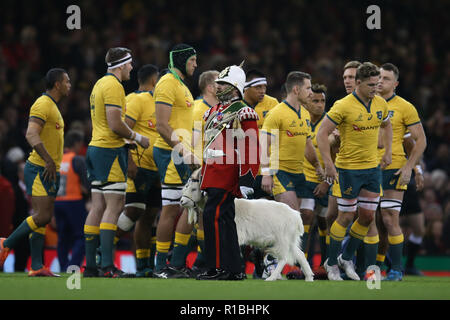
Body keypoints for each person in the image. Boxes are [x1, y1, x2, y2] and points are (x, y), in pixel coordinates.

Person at [317, 62, 393, 281]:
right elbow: (322, 134)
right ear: (358, 83)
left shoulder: (380, 103)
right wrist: (329, 165)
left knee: (368, 217)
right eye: (370, 84)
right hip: (348, 169)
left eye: (377, 83)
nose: (375, 88)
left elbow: (387, 126)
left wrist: (387, 152)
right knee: (346, 215)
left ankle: (345, 256)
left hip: (372, 169)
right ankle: (331, 264)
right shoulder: (343, 105)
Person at [83, 47, 150, 278]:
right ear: (122, 65)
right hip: (109, 151)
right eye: (130, 64)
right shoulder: (114, 86)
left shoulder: (99, 84)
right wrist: (139, 138)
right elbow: (115, 123)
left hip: (94, 148)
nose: (132, 68)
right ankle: (108, 266)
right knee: (114, 206)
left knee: (98, 207)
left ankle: (92, 266)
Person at [0, 68, 71, 277]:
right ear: (57, 84)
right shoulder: (42, 104)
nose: (69, 85)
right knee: (42, 215)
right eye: (67, 81)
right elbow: (31, 134)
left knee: (43, 219)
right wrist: (48, 160)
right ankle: (6, 243)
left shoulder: (53, 106)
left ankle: (37, 266)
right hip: (40, 168)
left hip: (50, 170)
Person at [197, 63, 260, 280]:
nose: (217, 86)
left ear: (235, 88)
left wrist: (247, 178)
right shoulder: (212, 112)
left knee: (213, 217)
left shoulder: (243, 111)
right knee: (223, 220)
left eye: (223, 84)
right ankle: (233, 269)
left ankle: (217, 268)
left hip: (228, 172)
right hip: (212, 172)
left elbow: (252, 146)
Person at [260, 71, 323, 279]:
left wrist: (317, 166)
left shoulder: (304, 114)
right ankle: (270, 262)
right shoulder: (277, 113)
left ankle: (278, 260)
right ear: (296, 89)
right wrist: (266, 173)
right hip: (280, 171)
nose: (310, 91)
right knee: (291, 216)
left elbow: (307, 144)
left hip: (299, 172)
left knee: (305, 216)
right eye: (308, 88)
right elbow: (263, 145)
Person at [376, 63, 427, 280]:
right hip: (365, 167)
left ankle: (396, 269)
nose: (380, 81)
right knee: (369, 220)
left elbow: (420, 140)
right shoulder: (365, 103)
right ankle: (372, 265)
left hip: (393, 168)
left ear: (395, 83)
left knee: (389, 219)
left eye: (386, 78)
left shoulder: (405, 107)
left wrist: (410, 168)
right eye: (378, 77)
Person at [152, 44, 198, 278]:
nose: (195, 65)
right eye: (192, 60)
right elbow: (161, 125)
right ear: (180, 61)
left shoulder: (180, 85)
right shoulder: (167, 83)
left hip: (181, 153)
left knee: (188, 207)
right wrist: (183, 151)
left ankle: (176, 263)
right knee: (170, 209)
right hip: (172, 154)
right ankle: (161, 267)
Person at [116, 64, 161, 277]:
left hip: (156, 168)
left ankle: (145, 266)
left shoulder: (157, 102)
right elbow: (124, 129)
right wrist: (130, 162)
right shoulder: (135, 99)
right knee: (134, 210)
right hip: (139, 166)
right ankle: (103, 245)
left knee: (149, 216)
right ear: (153, 80)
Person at [299, 83, 332, 271]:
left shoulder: (331, 123)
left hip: (326, 179)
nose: (320, 105)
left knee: (324, 221)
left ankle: (326, 264)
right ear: (306, 102)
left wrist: (326, 183)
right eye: (315, 100)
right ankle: (304, 264)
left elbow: (337, 157)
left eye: (323, 101)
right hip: (304, 179)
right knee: (307, 217)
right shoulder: (300, 121)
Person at [190, 70, 219, 274]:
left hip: (212, 167)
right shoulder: (198, 108)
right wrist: (198, 167)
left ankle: (202, 261)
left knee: (204, 216)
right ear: (210, 87)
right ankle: (199, 261)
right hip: (200, 168)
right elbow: (192, 142)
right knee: (198, 216)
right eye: (220, 82)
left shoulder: (215, 108)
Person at [54, 130, 89, 272]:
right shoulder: (77, 159)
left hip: (58, 202)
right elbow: (87, 184)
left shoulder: (57, 159)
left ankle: (63, 266)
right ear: (77, 143)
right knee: (81, 236)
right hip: (74, 201)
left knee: (62, 238)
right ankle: (72, 266)